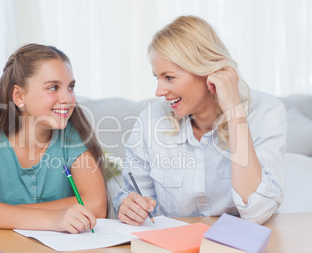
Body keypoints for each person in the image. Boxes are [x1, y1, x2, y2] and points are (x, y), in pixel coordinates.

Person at [113, 15, 286, 225]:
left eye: (169, 77)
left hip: (241, 249)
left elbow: (256, 212)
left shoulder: (266, 112)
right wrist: (127, 206)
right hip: (175, 249)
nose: (159, 91)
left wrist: (234, 113)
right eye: (156, 77)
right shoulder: (150, 120)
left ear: (207, 71)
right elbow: (134, 195)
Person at [0, 44, 107, 233]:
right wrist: (53, 219)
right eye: (53, 87)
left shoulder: (72, 135)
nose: (67, 98)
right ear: (19, 96)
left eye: (71, 87)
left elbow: (97, 205)